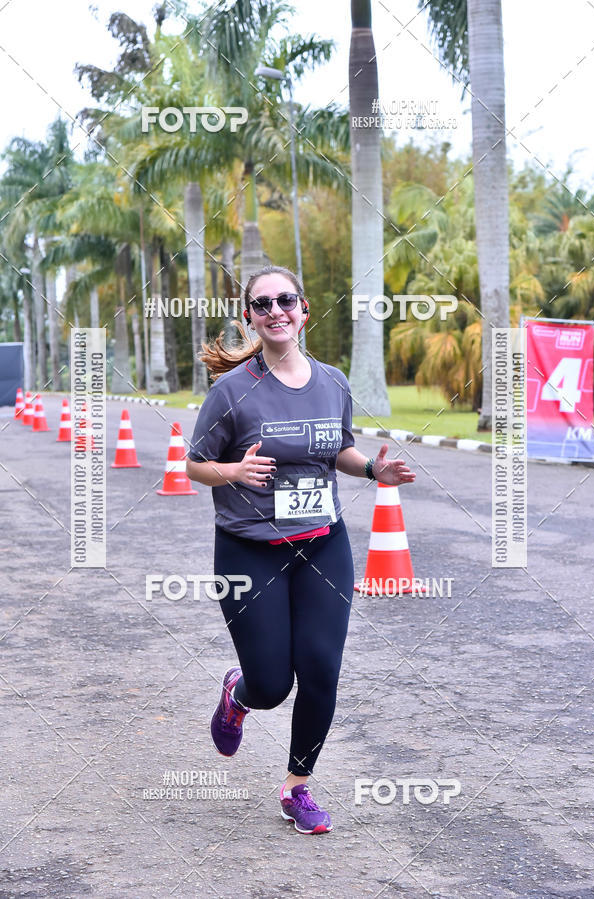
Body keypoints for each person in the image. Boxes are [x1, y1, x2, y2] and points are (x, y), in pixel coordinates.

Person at [186, 264, 416, 834]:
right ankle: (238, 695)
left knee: (320, 670)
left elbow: (337, 450)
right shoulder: (232, 392)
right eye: (262, 305)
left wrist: (373, 470)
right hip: (250, 549)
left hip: (322, 544)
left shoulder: (333, 381)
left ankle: (297, 788)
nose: (275, 312)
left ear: (304, 309)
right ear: (251, 319)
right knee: (271, 684)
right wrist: (234, 469)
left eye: (284, 300)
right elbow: (194, 465)